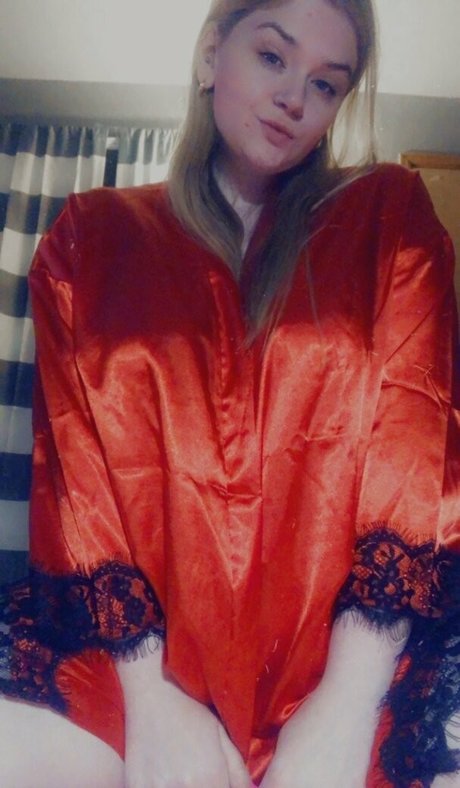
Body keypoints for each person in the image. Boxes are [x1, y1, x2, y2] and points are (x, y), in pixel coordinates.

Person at [0, 0, 459, 786]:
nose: (294, 97)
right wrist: (152, 699)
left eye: (326, 83)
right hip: (131, 652)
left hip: (353, 652)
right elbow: (78, 477)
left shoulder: (389, 217)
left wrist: (347, 703)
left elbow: (411, 451)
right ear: (212, 54)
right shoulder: (89, 237)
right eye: (273, 57)